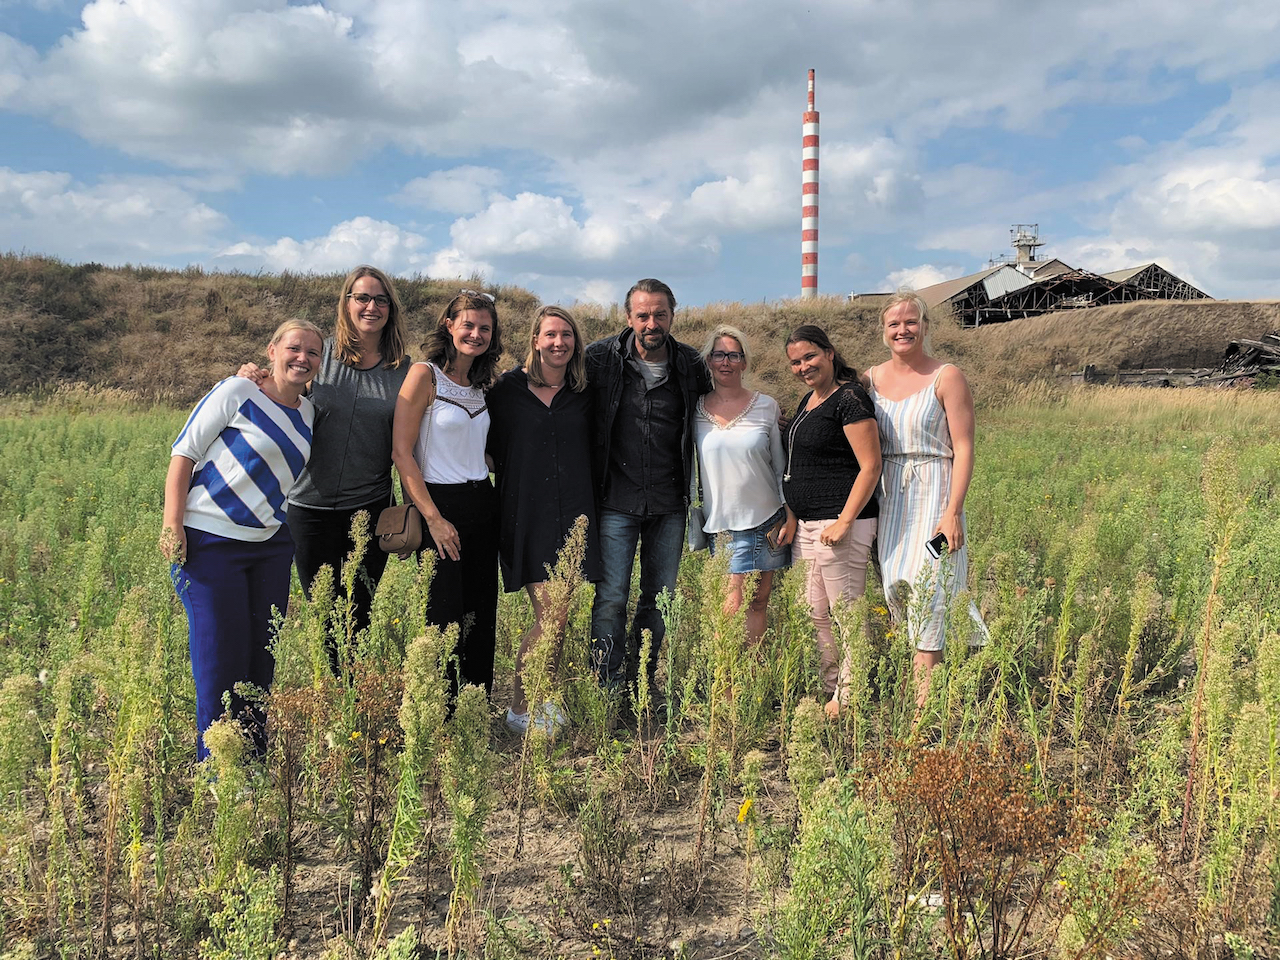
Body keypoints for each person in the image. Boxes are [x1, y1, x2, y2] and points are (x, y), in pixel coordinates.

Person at [162, 319, 324, 760]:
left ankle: (251, 761)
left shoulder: (308, 413)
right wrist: (172, 523)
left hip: (270, 546)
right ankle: (217, 770)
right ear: (272, 350)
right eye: (293, 348)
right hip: (210, 542)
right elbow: (184, 453)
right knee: (219, 660)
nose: (302, 358)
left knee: (260, 659)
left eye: (312, 352)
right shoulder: (237, 392)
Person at [238, 265, 411, 655]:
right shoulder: (319, 354)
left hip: (368, 508)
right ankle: (333, 697)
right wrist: (251, 374)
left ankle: (353, 695)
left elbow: (410, 445)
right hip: (307, 507)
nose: (371, 306)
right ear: (346, 303)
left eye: (381, 299)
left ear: (391, 308)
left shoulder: (403, 369)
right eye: (362, 297)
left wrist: (413, 508)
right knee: (323, 611)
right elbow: (279, 387)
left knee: (359, 611)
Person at [585, 278, 713, 695]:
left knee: (659, 600)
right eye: (643, 315)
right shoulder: (599, 360)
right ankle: (605, 684)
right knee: (611, 598)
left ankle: (642, 682)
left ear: (673, 316)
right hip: (615, 501)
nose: (652, 322)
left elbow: (722, 410)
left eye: (660, 314)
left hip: (668, 502)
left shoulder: (692, 365)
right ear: (628, 318)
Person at [866, 291, 986, 712]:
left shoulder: (947, 376)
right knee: (896, 585)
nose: (903, 329)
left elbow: (965, 446)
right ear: (884, 331)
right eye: (894, 324)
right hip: (891, 494)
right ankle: (919, 678)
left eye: (911, 321)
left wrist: (952, 513)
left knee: (931, 585)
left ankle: (923, 706)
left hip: (936, 492)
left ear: (925, 326)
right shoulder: (871, 379)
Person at [487, 306, 601, 736]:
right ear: (535, 339)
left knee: (562, 614)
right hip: (527, 514)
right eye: (550, 335)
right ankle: (521, 707)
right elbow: (486, 445)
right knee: (551, 615)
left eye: (567, 335)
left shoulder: (587, 391)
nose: (559, 343)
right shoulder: (505, 390)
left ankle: (543, 699)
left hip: (575, 515)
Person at [392, 291, 503, 699]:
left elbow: (476, 446)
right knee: (441, 613)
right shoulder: (424, 375)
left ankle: (473, 704)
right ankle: (435, 708)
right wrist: (433, 519)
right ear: (449, 325)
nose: (475, 334)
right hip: (439, 503)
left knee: (479, 609)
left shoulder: (480, 385)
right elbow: (402, 453)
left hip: (481, 503)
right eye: (468, 325)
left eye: (484, 328)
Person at [779, 325, 881, 719]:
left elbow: (870, 466)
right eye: (795, 362)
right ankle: (832, 683)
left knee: (846, 612)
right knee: (813, 609)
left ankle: (851, 694)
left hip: (841, 523)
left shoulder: (850, 400)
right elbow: (796, 466)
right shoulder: (810, 399)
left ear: (829, 353)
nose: (803, 366)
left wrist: (845, 520)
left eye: (809, 357)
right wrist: (793, 513)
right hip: (808, 524)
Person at [693, 325, 789, 647]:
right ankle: (728, 691)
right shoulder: (694, 410)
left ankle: (751, 686)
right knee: (731, 608)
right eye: (719, 354)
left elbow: (779, 467)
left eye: (734, 355)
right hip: (722, 526)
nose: (726, 362)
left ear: (744, 362)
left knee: (758, 604)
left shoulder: (767, 406)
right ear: (708, 360)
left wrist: (788, 513)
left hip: (767, 520)